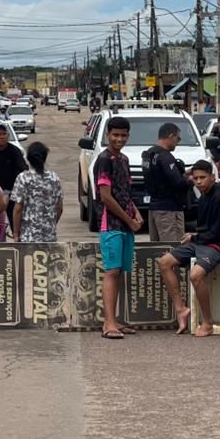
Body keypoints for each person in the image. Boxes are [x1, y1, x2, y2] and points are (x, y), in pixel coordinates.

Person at [157, 160, 220, 337]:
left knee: (195, 275)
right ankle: (181, 309)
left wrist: (194, 237)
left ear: (212, 177)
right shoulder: (203, 196)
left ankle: (208, 323)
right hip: (203, 241)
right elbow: (202, 225)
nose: (199, 181)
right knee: (164, 262)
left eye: (203, 178)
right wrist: (194, 236)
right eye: (195, 178)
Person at [96, 115, 141, 340]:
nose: (119, 139)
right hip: (110, 225)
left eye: (123, 135)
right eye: (115, 135)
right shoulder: (104, 160)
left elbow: (125, 193)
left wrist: (136, 214)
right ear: (108, 135)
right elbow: (106, 197)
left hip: (126, 225)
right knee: (111, 271)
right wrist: (129, 219)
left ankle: (115, 319)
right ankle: (109, 323)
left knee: (120, 272)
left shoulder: (123, 160)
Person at [143, 122, 190, 243]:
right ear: (171, 136)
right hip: (169, 210)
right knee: (173, 249)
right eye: (178, 138)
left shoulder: (148, 154)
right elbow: (178, 183)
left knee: (157, 249)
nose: (178, 142)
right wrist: (191, 181)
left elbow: (160, 176)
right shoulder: (165, 156)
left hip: (153, 208)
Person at [12, 141, 63, 243]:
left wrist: (16, 234)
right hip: (49, 238)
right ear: (45, 157)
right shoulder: (54, 178)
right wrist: (50, 225)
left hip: (28, 238)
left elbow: (18, 209)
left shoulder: (23, 178)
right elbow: (60, 209)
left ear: (28, 158)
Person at [0, 123, 27, 237]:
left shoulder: (15, 151)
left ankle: (17, 239)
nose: (2, 136)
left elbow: (24, 170)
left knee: (16, 225)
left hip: (12, 193)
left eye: (4, 134)